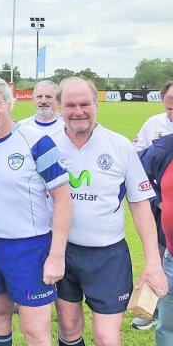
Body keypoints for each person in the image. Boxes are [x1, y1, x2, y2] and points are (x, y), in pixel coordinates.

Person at [53, 77, 168, 346]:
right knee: (69, 328)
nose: (78, 111)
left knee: (106, 337)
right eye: (70, 105)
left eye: (85, 104)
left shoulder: (119, 146)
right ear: (60, 107)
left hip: (108, 256)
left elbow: (139, 205)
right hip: (61, 251)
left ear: (97, 105)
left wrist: (152, 261)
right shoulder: (47, 145)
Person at [0, 75, 72, 346]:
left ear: (9, 103)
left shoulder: (37, 141)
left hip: (31, 248)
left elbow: (63, 199)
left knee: (35, 331)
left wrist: (56, 255)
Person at [131, 84, 173, 330]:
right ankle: (152, 309)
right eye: (169, 106)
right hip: (160, 204)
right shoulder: (155, 127)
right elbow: (136, 164)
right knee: (156, 254)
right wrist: (156, 198)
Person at [139, 133, 173, 345]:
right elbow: (138, 173)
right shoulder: (166, 146)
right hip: (172, 258)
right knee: (167, 327)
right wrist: (157, 200)